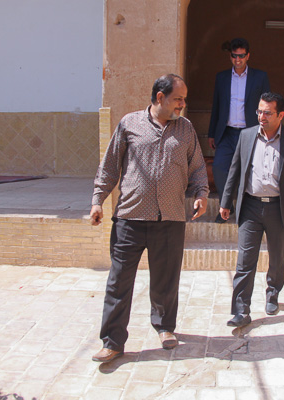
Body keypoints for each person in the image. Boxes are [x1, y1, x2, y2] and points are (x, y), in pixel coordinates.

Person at [90, 74, 209, 362]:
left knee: (166, 280)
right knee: (119, 282)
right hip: (129, 218)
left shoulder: (186, 129)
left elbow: (197, 167)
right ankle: (112, 341)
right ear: (159, 97)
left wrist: (201, 194)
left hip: (170, 219)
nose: (182, 104)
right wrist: (97, 200)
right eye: (178, 99)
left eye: (184, 99)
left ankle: (165, 327)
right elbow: (110, 166)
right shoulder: (129, 124)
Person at [219, 92, 284, 328]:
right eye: (259, 111)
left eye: (268, 113)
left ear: (281, 115)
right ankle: (241, 310)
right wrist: (226, 201)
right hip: (250, 207)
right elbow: (235, 170)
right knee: (244, 261)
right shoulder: (246, 136)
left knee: (277, 257)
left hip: (279, 209)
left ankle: (273, 292)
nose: (262, 116)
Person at [208, 38, 270, 223]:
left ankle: (249, 211)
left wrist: (267, 131)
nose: (238, 60)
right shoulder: (222, 77)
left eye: (241, 56)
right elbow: (216, 106)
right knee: (219, 168)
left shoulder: (259, 77)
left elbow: (267, 106)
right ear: (230, 56)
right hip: (226, 132)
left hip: (249, 132)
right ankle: (227, 206)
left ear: (248, 56)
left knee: (251, 171)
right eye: (234, 56)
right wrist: (212, 133)